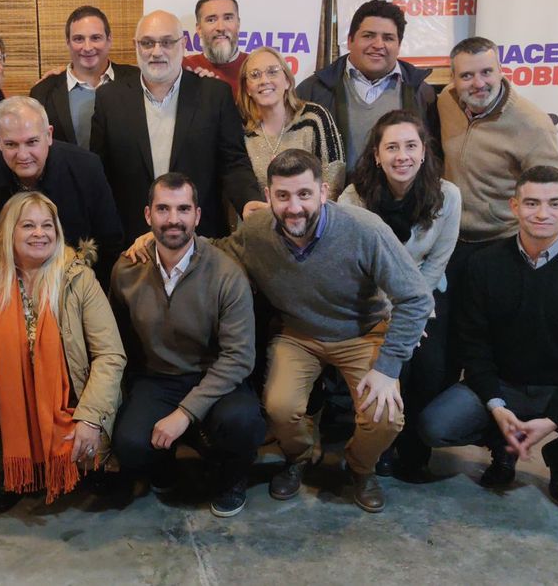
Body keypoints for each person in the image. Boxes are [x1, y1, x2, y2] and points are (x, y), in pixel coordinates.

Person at [124, 149, 433, 512]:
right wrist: (158, 240)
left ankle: (361, 468)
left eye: (304, 194)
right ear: (268, 196)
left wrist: (387, 366)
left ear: (324, 191)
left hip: (362, 331)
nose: (294, 207)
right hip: (298, 334)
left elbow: (416, 297)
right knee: (278, 407)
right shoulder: (256, 232)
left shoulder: (365, 230)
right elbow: (217, 251)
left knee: (385, 415)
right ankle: (301, 457)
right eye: (282, 196)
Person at [420, 166, 558, 509]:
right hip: (504, 386)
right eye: (531, 203)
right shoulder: (484, 265)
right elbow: (473, 345)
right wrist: (495, 406)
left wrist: (553, 420)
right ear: (514, 206)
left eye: (554, 203)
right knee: (433, 426)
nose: (542, 213)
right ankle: (503, 445)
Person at [0, 192, 127, 513]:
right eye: (28, 225)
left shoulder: (78, 280)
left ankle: (89, 462)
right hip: (13, 401)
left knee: (89, 436)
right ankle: (19, 469)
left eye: (47, 225)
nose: (40, 233)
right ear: (8, 232)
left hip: (74, 397)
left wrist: (92, 418)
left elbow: (110, 354)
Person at [109, 173, 265, 518]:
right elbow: (118, 339)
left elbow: (239, 358)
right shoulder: (126, 269)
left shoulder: (227, 273)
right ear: (148, 216)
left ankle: (230, 475)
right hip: (157, 378)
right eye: (163, 209)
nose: (173, 219)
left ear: (197, 215)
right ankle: (165, 464)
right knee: (130, 445)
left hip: (215, 377)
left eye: (183, 209)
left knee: (242, 422)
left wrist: (183, 414)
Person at [438, 36, 558, 370]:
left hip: (500, 242)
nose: (478, 83)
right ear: (453, 79)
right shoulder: (445, 103)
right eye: (466, 75)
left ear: (500, 71)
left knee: (497, 340)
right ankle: (448, 413)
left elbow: (557, 182)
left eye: (486, 72)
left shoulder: (530, 122)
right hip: (451, 241)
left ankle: (497, 413)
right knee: (450, 336)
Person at [338, 110, 460, 482]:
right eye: (392, 147)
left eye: (411, 146)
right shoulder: (353, 198)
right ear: (377, 154)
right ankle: (382, 447)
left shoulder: (448, 196)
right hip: (371, 300)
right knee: (394, 362)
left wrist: (415, 313)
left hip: (424, 296)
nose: (402, 155)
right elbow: (353, 266)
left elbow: (438, 261)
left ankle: (416, 450)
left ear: (424, 151)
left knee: (431, 364)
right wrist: (394, 314)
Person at [90, 9, 265, 241]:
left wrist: (248, 199)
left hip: (201, 242)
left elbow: (233, 163)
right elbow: (100, 174)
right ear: (136, 46)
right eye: (147, 43)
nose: (156, 52)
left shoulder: (214, 95)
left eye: (166, 42)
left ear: (183, 44)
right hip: (132, 244)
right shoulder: (109, 98)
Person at [0, 96, 123, 281]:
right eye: (10, 144)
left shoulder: (86, 168)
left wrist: (86, 295)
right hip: (5, 287)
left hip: (75, 285)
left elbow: (110, 242)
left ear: (49, 135)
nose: (23, 155)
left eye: (32, 142)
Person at [294, 0, 439, 173]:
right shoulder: (311, 91)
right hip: (335, 199)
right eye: (368, 35)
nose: (378, 45)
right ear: (349, 41)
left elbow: (434, 156)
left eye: (388, 38)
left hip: (403, 198)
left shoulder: (422, 93)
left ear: (399, 45)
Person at [238, 46, 345, 197]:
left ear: (287, 81)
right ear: (247, 88)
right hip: (259, 218)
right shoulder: (240, 128)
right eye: (254, 75)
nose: (264, 80)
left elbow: (334, 178)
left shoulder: (314, 117)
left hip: (312, 217)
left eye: (272, 72)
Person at [30, 6, 140, 149]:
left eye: (95, 38)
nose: (87, 47)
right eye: (79, 39)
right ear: (68, 42)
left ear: (109, 39)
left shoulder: (137, 80)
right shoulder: (43, 92)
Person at [182, 0, 247, 97]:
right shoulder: (185, 67)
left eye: (228, 18)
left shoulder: (255, 68)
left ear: (238, 24)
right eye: (211, 20)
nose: (221, 27)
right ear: (199, 29)